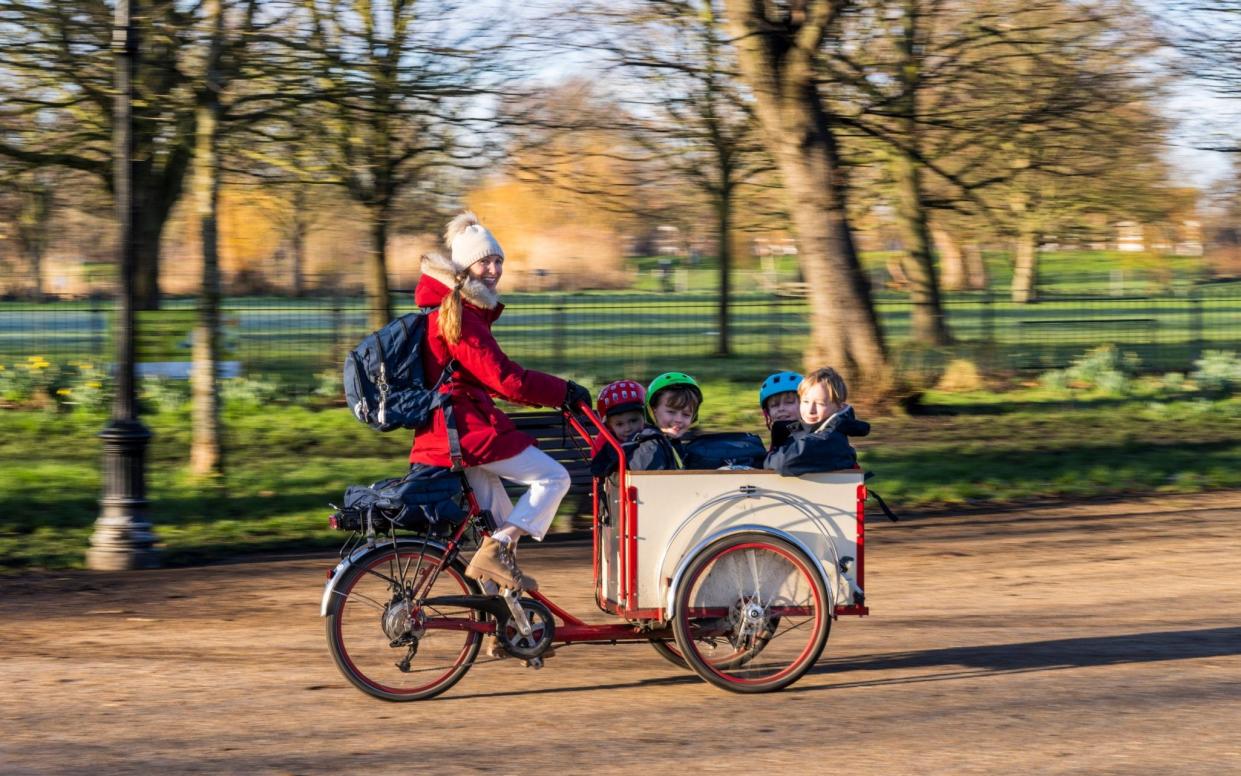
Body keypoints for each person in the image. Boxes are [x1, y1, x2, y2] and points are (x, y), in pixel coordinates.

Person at [410, 211, 591, 592]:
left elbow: (481, 377)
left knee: (501, 524)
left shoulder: (448, 309)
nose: (493, 269)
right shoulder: (458, 315)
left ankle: (502, 621)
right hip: (466, 432)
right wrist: (564, 393)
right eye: (484, 261)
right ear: (464, 268)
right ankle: (495, 555)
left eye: (498, 261)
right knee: (554, 478)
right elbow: (506, 379)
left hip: (450, 431)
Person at [590, 372, 702, 476]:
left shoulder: (665, 440)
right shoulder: (650, 447)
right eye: (671, 412)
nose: (678, 419)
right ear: (652, 410)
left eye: (686, 414)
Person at [764, 367, 871, 476]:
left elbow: (782, 463)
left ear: (840, 406)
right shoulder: (808, 430)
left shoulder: (829, 439)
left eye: (820, 404)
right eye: (805, 401)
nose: (810, 410)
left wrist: (766, 460)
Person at [758, 370, 803, 450]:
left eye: (789, 402)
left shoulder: (809, 440)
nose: (781, 408)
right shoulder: (779, 435)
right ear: (767, 412)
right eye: (774, 405)